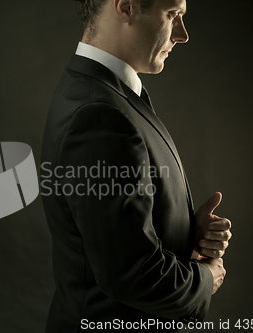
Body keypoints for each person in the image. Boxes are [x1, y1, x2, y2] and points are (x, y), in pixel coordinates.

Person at [40, 0, 232, 331]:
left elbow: (116, 235)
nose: (182, 35)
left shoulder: (107, 92)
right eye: (173, 15)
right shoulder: (99, 114)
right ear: (126, 6)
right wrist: (206, 277)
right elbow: (130, 274)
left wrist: (185, 232)